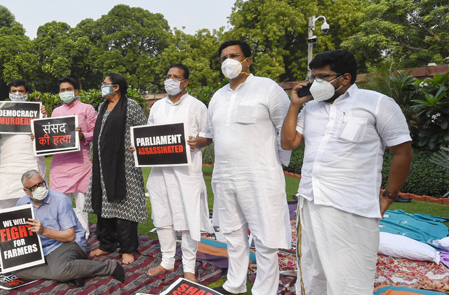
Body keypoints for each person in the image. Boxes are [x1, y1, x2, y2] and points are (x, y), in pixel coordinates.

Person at [281, 50, 413, 295]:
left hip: (352, 206)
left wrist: (388, 197)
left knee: (350, 277)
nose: (315, 83)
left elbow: (402, 152)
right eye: (313, 77)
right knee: (311, 271)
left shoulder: (377, 103)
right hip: (311, 200)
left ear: (345, 78)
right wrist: (294, 106)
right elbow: (288, 142)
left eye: (322, 77)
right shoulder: (310, 109)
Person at [189, 40, 292, 295]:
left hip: (260, 175)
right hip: (225, 176)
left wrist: (275, 163)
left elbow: (286, 130)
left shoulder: (268, 88)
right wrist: (192, 142)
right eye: (223, 58)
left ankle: (264, 290)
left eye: (234, 56)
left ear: (248, 60)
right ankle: (234, 284)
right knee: (233, 234)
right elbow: (210, 136)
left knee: (265, 237)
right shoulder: (218, 96)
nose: (228, 61)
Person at [145, 64, 212, 282]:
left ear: (186, 82)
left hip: (187, 174)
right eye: (168, 76)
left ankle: (189, 266)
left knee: (188, 218)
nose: (170, 80)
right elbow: (148, 134)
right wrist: (140, 147)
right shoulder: (156, 107)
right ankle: (166, 261)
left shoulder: (197, 106)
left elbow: (208, 138)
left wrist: (197, 142)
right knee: (163, 217)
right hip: (160, 173)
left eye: (176, 77)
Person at [13, 170, 125, 285]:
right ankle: (72, 273)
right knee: (15, 269)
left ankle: (108, 267)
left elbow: (70, 236)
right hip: (40, 247)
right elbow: (21, 230)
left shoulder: (60, 200)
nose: (40, 188)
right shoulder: (21, 203)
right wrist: (6, 245)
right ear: (26, 191)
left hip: (66, 243)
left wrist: (44, 231)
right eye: (34, 187)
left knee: (59, 271)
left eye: (41, 183)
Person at [84, 72, 148, 265]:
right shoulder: (102, 106)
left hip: (124, 167)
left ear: (116, 87)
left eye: (105, 83)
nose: (102, 86)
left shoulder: (131, 106)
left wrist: (138, 144)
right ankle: (106, 244)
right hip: (103, 167)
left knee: (124, 208)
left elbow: (144, 132)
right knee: (104, 207)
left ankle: (128, 248)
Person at [49, 77, 97, 240]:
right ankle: (66, 232)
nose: (65, 93)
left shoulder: (87, 109)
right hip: (60, 162)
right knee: (61, 201)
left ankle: (83, 232)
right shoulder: (56, 112)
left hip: (80, 161)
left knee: (82, 202)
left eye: (68, 89)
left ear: (76, 91)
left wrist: (83, 135)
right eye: (62, 90)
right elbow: (51, 135)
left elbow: (96, 132)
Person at [0, 79, 47, 211]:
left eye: (21, 91)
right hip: (8, 165)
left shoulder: (37, 111)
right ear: (9, 94)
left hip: (31, 162)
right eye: (14, 91)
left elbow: (46, 138)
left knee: (37, 202)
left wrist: (41, 123)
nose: (17, 94)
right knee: (6, 202)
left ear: (26, 93)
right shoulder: (1, 110)